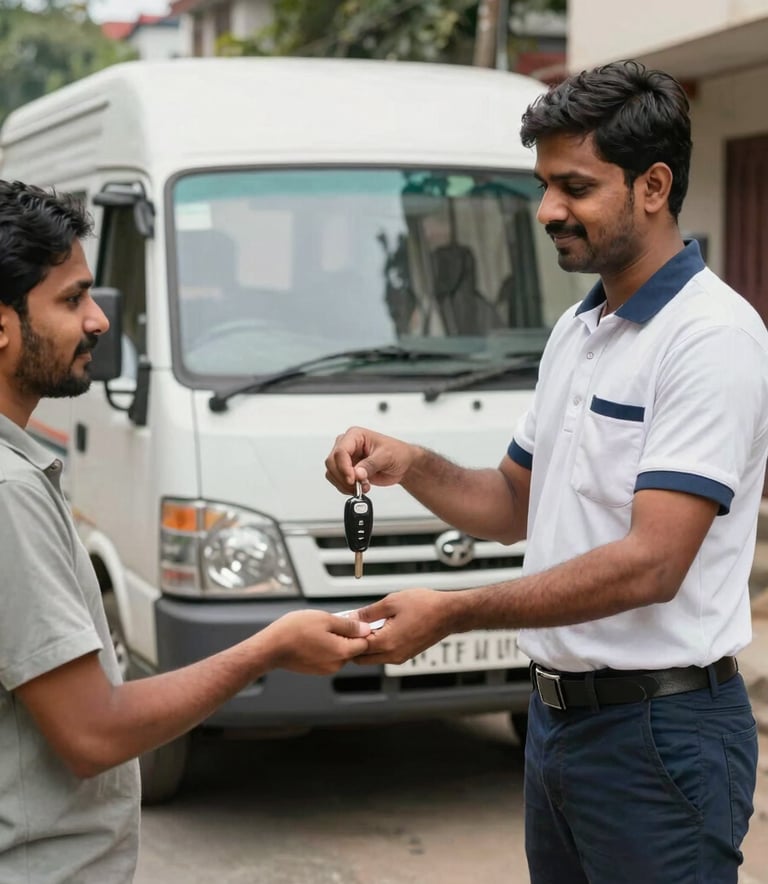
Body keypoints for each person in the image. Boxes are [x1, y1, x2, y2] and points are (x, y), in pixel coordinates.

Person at [325, 60, 768, 883]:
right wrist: (410, 462)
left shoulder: (711, 338)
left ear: (653, 186)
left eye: (574, 186)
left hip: (660, 737)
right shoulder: (581, 328)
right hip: (559, 727)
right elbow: (512, 502)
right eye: (543, 185)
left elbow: (654, 562)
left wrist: (453, 614)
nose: (547, 211)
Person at [0, 181, 371, 882]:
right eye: (73, 299)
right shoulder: (9, 493)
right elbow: (93, 731)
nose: (100, 321)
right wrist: (267, 648)